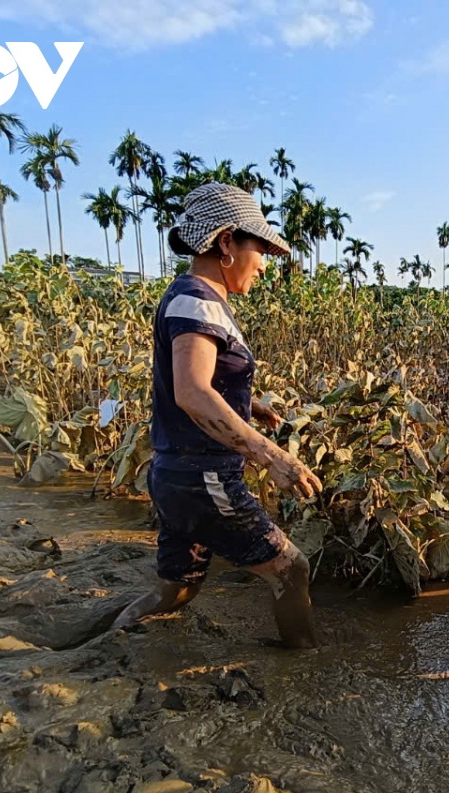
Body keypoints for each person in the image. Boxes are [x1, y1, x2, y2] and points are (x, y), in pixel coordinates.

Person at [113, 182, 323, 647]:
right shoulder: (197, 299)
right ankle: (304, 668)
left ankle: (106, 639)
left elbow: (189, 380)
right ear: (226, 241)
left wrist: (248, 405)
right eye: (260, 248)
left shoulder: (191, 295)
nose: (265, 263)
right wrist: (272, 458)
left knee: (177, 589)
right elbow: (190, 391)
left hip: (175, 475)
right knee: (292, 570)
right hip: (203, 478)